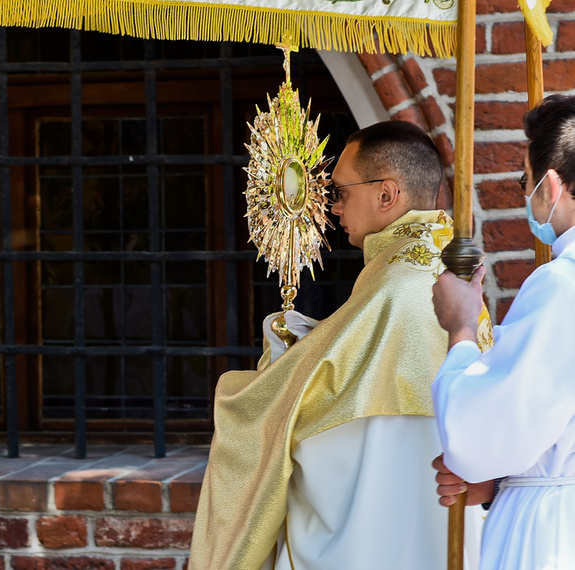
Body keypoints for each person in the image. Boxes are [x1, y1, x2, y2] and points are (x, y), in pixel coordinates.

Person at [189, 121, 489, 570]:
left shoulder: (395, 284)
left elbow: (308, 395)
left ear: (386, 194)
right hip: (436, 519)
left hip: (373, 523)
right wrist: (308, 345)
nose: (333, 207)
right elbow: (348, 365)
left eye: (341, 191)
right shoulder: (448, 271)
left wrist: (273, 366)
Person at [432, 94, 575, 569]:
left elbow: (476, 441)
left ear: (551, 186)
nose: (526, 194)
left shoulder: (562, 285)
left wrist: (461, 327)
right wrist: (499, 483)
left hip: (554, 533)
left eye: (525, 181)